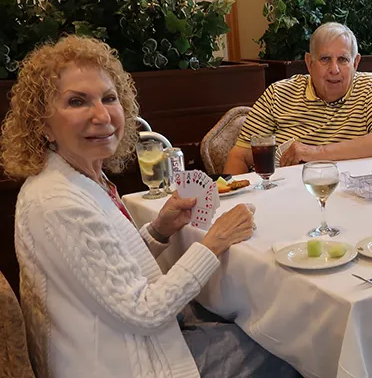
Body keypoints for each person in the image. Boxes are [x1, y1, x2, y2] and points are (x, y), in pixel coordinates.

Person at [0, 36, 300, 378]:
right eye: (77, 102)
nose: (101, 115)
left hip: (125, 337)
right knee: (287, 347)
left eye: (108, 98)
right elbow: (143, 310)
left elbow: (107, 270)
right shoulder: (57, 203)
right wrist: (214, 242)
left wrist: (161, 230)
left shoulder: (76, 180)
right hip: (122, 363)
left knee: (248, 316)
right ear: (42, 123)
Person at [224, 22, 372, 172]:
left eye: (343, 59)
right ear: (309, 63)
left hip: (351, 196)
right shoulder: (277, 94)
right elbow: (239, 156)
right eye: (325, 59)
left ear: (355, 63)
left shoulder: (369, 87)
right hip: (284, 199)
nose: (334, 69)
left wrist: (314, 152)